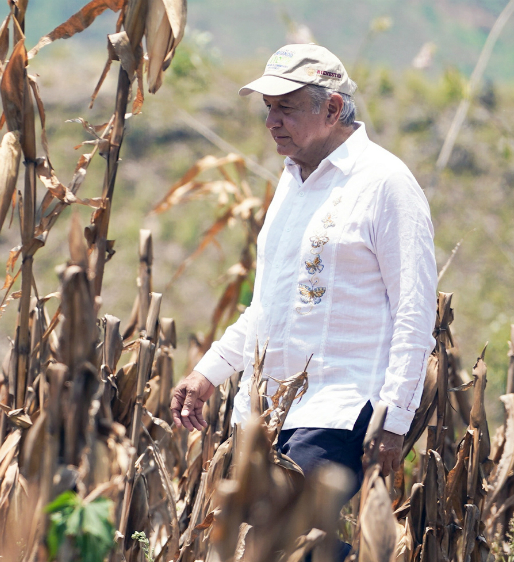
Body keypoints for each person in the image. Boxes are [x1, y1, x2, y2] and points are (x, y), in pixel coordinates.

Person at [170, 43, 437, 511]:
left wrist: (394, 420)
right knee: (249, 536)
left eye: (286, 108)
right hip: (268, 414)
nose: (271, 122)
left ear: (331, 109)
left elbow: (414, 311)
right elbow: (268, 308)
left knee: (283, 532)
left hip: (341, 409)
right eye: (268, 108)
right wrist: (208, 372)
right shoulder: (291, 184)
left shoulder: (385, 183)